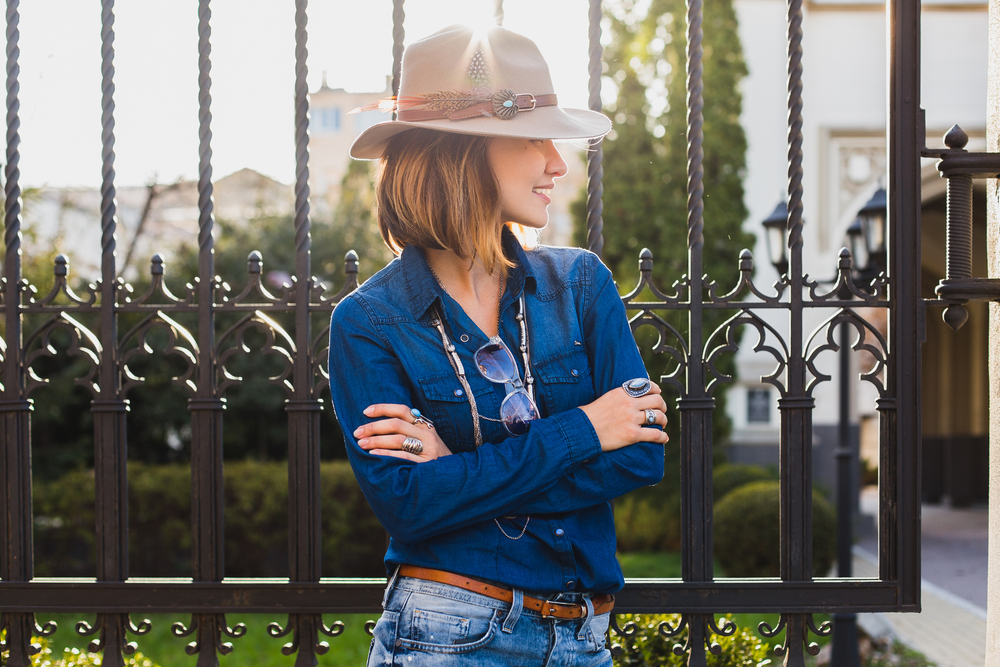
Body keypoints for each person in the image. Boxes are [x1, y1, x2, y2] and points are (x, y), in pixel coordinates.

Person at [328, 24, 668, 667]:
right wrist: (588, 429)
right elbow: (408, 505)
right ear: (464, 152)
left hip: (583, 639)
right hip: (445, 633)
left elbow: (640, 458)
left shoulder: (582, 284)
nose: (558, 163)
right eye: (534, 138)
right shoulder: (369, 322)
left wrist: (455, 463)